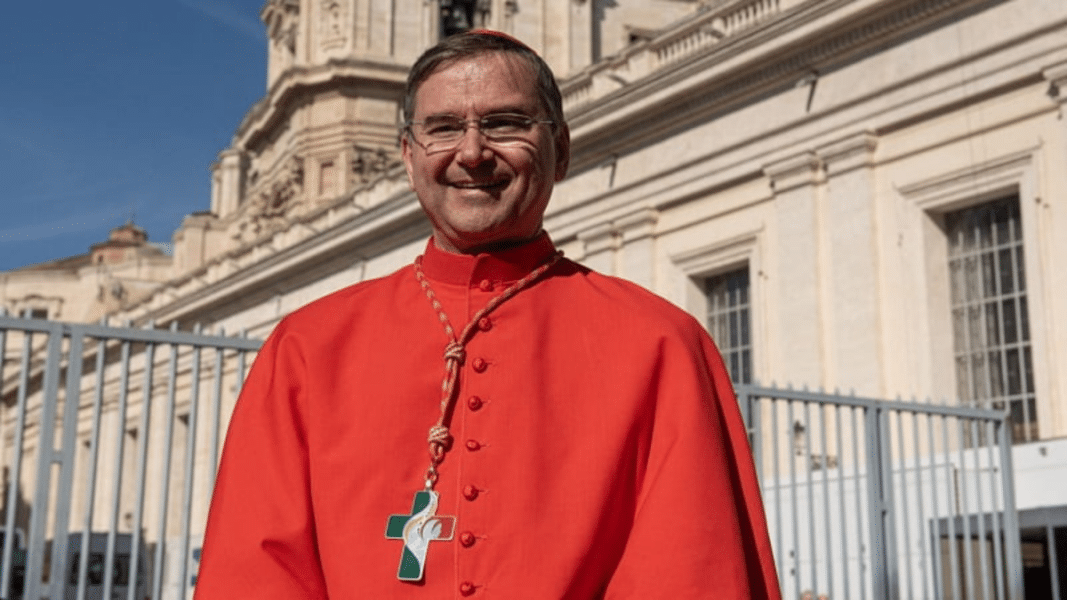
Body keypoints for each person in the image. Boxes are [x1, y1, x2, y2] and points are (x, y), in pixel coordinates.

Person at [194, 30, 780, 599]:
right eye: (444, 128)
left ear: (562, 150)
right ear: (408, 156)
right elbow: (256, 576)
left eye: (505, 124)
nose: (472, 153)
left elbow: (690, 574)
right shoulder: (306, 346)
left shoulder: (661, 343)